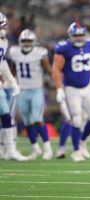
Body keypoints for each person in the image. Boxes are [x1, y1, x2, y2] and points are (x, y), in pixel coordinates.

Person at [52, 22, 90, 162]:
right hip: (71, 89)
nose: (78, 38)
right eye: (76, 35)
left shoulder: (89, 45)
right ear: (70, 35)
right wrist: (59, 89)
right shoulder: (64, 48)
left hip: (87, 87)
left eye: (81, 35)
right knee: (76, 120)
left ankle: (82, 141)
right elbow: (56, 69)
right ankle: (76, 151)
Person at [9, 29, 53, 160]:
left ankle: (48, 148)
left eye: (29, 41)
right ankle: (35, 148)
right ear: (20, 42)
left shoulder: (40, 53)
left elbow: (49, 69)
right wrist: (10, 83)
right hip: (22, 90)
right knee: (27, 121)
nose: (27, 43)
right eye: (24, 41)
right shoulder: (15, 52)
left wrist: (56, 82)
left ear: (34, 42)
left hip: (36, 90)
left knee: (37, 119)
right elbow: (13, 69)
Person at [0, 12, 27, 161]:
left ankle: (10, 150)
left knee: (5, 113)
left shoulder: (4, 41)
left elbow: (2, 63)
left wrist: (11, 81)